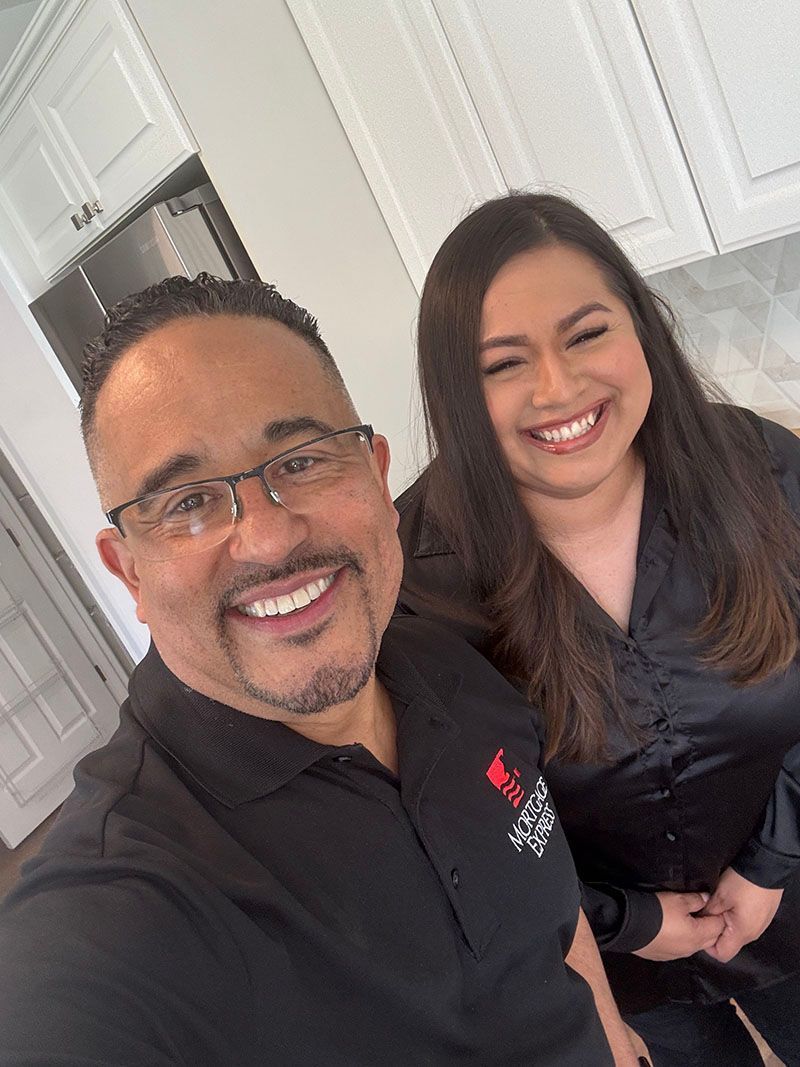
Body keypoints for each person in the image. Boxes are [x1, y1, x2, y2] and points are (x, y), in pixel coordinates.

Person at [0, 274, 640, 1066]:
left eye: (301, 460)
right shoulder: (119, 912)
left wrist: (613, 1036)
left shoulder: (453, 666)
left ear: (377, 476)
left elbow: (545, 900)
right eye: (188, 502)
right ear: (130, 572)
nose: (267, 539)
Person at [396, 192, 800, 1067]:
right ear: (457, 392)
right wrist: (633, 922)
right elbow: (458, 827)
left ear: (641, 327)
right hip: (620, 972)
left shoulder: (762, 471)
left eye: (586, 334)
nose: (559, 388)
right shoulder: (418, 579)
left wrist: (772, 860)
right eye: (503, 363)